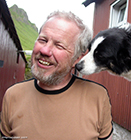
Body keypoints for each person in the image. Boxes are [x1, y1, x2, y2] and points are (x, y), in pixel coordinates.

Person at [0, 11, 113, 140]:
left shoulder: (98, 97)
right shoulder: (12, 95)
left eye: (59, 46)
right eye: (43, 40)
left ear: (77, 59)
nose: (44, 50)